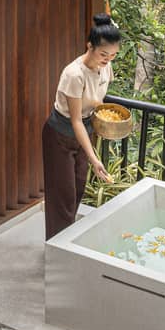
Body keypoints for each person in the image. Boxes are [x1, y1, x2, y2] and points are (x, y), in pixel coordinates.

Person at [42, 13, 120, 240]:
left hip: (83, 133)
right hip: (60, 135)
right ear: (90, 46)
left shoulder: (105, 67)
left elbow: (98, 101)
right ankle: (58, 252)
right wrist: (95, 159)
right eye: (104, 54)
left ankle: (64, 244)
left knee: (77, 189)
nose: (108, 60)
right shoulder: (74, 74)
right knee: (62, 197)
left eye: (113, 55)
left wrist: (108, 121)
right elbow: (75, 119)